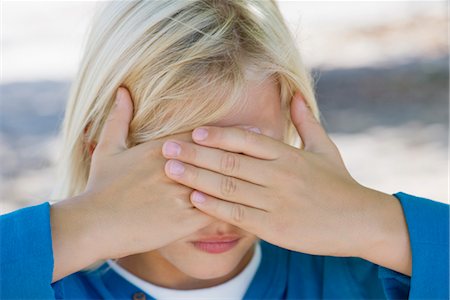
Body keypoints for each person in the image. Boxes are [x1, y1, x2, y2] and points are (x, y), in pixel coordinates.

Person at [1, 1, 448, 299]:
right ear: (97, 145)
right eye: (180, 172)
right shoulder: (47, 276)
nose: (222, 213)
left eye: (253, 166)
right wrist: (76, 230)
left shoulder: (368, 273)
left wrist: (379, 224)